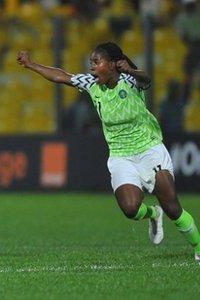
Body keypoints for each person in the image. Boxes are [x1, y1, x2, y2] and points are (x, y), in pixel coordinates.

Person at [17, 42, 200, 261]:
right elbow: (61, 76)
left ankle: (198, 246)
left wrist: (131, 70)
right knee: (131, 209)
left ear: (112, 65)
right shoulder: (91, 84)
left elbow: (146, 80)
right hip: (121, 155)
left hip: (150, 149)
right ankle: (152, 213)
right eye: (90, 63)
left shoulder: (130, 81)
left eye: (96, 62)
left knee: (172, 206)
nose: (92, 67)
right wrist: (31, 65)